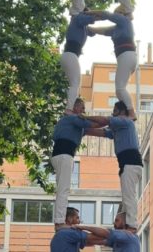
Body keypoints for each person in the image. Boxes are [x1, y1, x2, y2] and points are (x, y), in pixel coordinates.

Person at [84, 101, 143, 229]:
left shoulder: (125, 121)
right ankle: (128, 223)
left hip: (130, 163)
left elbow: (104, 120)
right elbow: (103, 133)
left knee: (129, 197)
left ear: (122, 112)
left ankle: (132, 225)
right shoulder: (119, 129)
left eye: (115, 111)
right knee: (127, 197)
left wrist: (85, 117)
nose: (112, 113)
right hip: (127, 164)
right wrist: (84, 130)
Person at [51, 98, 102, 230]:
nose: (84, 111)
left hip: (60, 155)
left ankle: (59, 220)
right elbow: (94, 125)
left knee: (62, 189)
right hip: (64, 155)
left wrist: (111, 131)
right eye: (82, 107)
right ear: (74, 107)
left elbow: (96, 130)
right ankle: (59, 221)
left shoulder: (74, 124)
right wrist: (111, 121)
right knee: (63, 190)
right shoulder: (71, 118)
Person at [86, 8, 137, 120]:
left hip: (126, 56)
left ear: (122, 14)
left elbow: (106, 14)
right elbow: (102, 30)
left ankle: (132, 113)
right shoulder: (116, 29)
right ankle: (125, 112)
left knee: (120, 89)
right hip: (126, 57)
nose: (115, 16)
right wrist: (89, 28)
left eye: (117, 14)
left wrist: (89, 13)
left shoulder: (125, 21)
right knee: (119, 91)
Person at [60, 12, 97, 115]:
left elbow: (93, 32)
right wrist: (108, 16)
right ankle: (69, 109)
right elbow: (92, 18)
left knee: (75, 84)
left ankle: (71, 107)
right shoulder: (77, 19)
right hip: (70, 55)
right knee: (75, 84)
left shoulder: (83, 27)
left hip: (69, 56)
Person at [76, 211, 140, 251]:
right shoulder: (120, 238)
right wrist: (78, 241)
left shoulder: (127, 235)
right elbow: (99, 241)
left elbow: (106, 233)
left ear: (124, 222)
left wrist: (82, 227)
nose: (114, 223)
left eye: (117, 220)